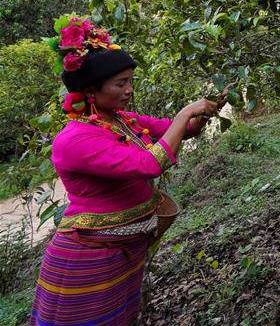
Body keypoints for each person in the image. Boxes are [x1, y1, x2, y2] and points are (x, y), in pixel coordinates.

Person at [31, 16, 220, 325]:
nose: (129, 90)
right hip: (88, 258)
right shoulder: (75, 139)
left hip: (124, 251)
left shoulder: (122, 119)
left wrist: (204, 112)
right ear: (91, 89)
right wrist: (186, 110)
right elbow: (150, 164)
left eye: (130, 81)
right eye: (121, 83)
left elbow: (182, 131)